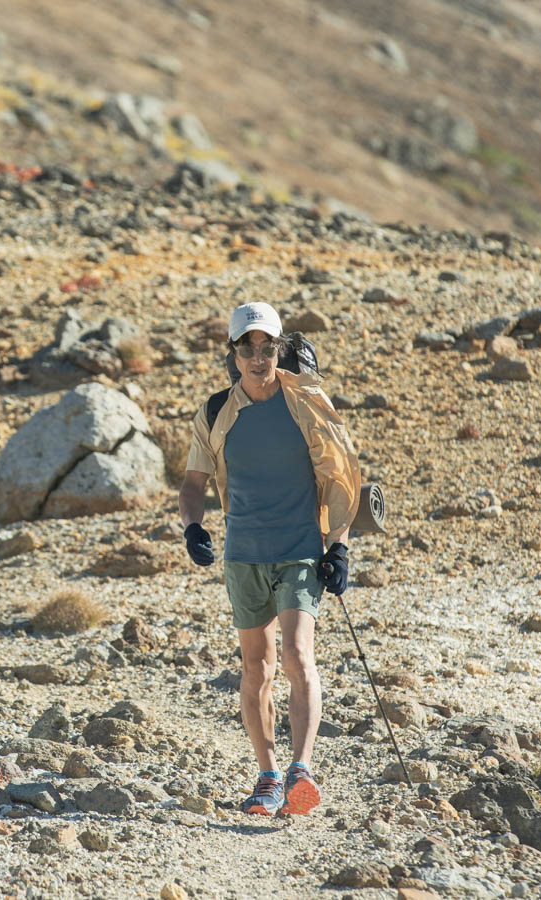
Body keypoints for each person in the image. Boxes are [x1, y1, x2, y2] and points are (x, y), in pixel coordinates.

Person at [178, 301, 361, 816]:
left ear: (279, 350)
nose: (258, 358)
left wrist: (339, 545)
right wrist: (194, 529)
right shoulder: (216, 413)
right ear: (233, 354)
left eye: (267, 348)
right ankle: (268, 775)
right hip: (243, 556)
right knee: (255, 667)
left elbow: (342, 478)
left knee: (298, 656)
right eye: (247, 349)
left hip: (300, 551)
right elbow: (193, 484)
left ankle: (302, 768)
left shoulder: (307, 402)